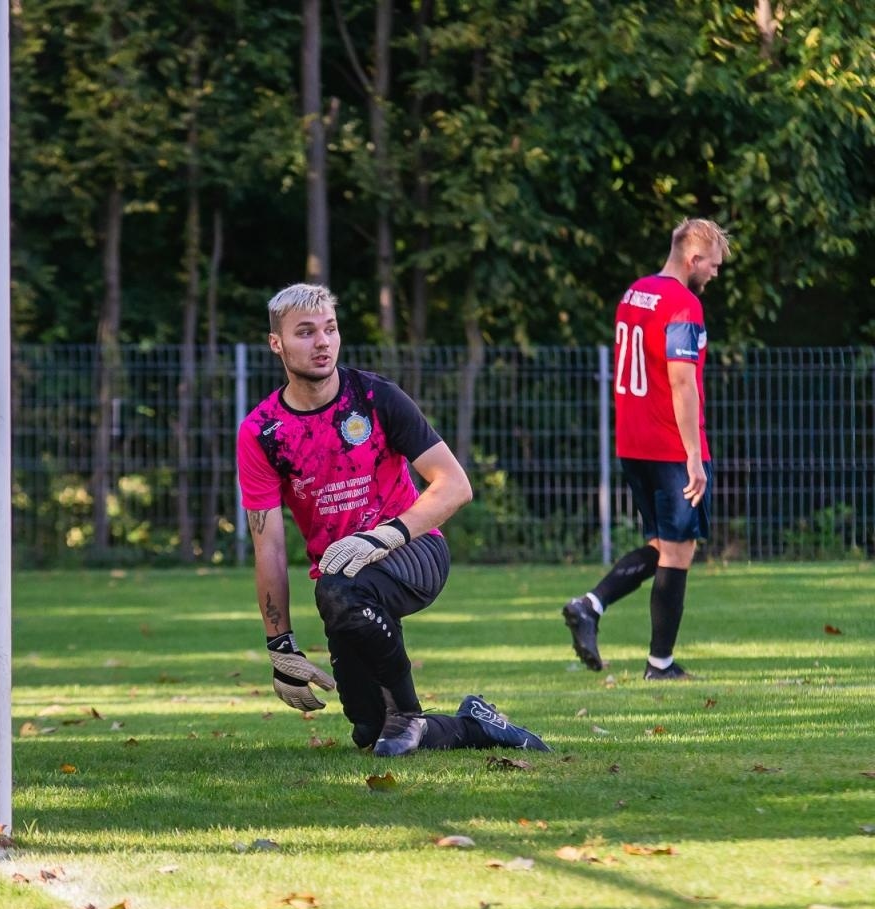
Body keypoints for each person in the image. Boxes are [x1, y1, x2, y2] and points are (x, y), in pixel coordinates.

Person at [238, 282, 549, 757]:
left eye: (330, 329)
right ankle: (473, 723)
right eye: (305, 332)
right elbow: (270, 547)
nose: (322, 342)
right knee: (369, 733)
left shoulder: (375, 396)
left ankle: (406, 714)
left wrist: (386, 536)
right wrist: (280, 646)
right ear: (276, 343)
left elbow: (454, 484)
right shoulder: (262, 432)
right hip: (343, 582)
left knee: (339, 589)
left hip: (413, 549)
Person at [563, 218, 730, 681]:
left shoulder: (635, 293)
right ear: (693, 259)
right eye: (712, 266)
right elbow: (681, 380)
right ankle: (660, 664)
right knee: (679, 551)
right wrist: (694, 455)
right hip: (668, 444)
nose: (714, 275)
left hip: (633, 441)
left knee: (661, 545)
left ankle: (590, 605)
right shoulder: (682, 303)